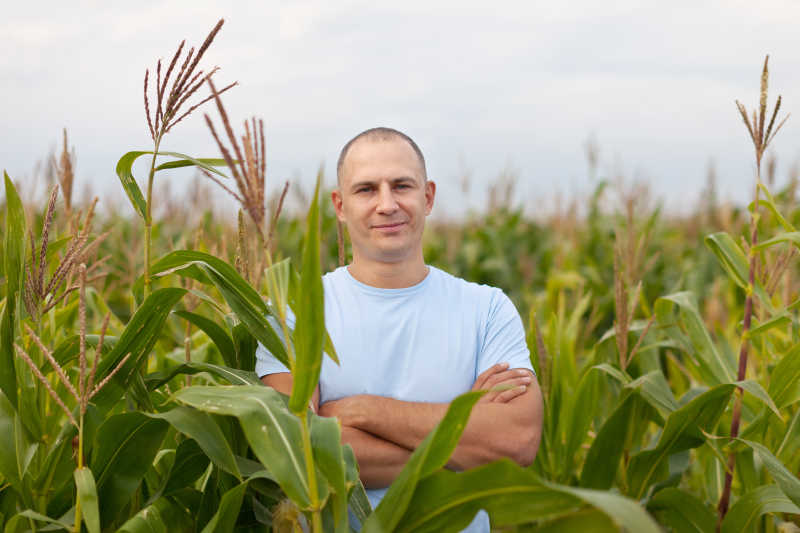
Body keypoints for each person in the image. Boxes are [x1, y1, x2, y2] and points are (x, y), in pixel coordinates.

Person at [256, 127, 543, 532]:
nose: (387, 204)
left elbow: (515, 442)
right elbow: (299, 453)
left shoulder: (487, 309)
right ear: (340, 205)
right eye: (367, 190)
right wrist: (461, 439)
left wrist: (360, 412)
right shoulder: (297, 310)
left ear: (428, 197)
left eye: (402, 186)